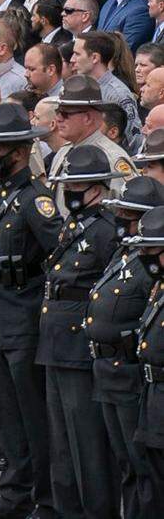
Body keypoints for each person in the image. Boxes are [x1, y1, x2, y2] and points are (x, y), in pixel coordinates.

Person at [0, 101, 61, 519]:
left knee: (32, 418)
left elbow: (57, 254)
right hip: (0, 314)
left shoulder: (34, 199)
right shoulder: (2, 193)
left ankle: (44, 498)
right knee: (8, 417)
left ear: (20, 152)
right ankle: (13, 497)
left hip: (24, 315)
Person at [36, 144, 120, 519]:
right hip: (55, 338)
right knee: (61, 441)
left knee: (87, 441)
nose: (70, 192)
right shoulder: (75, 223)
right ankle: (66, 509)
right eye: (68, 185)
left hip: (77, 340)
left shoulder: (106, 229)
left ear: (98, 188)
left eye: (78, 186)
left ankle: (95, 511)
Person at [84, 176, 164, 519]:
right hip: (115, 376)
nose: (123, 223)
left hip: (133, 379)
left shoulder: (149, 272)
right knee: (128, 466)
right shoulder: (125, 254)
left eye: (130, 216)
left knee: (146, 471)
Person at [128, 205, 164, 514]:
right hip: (151, 398)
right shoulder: (159, 287)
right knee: (150, 484)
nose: (146, 256)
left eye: (152, 249)